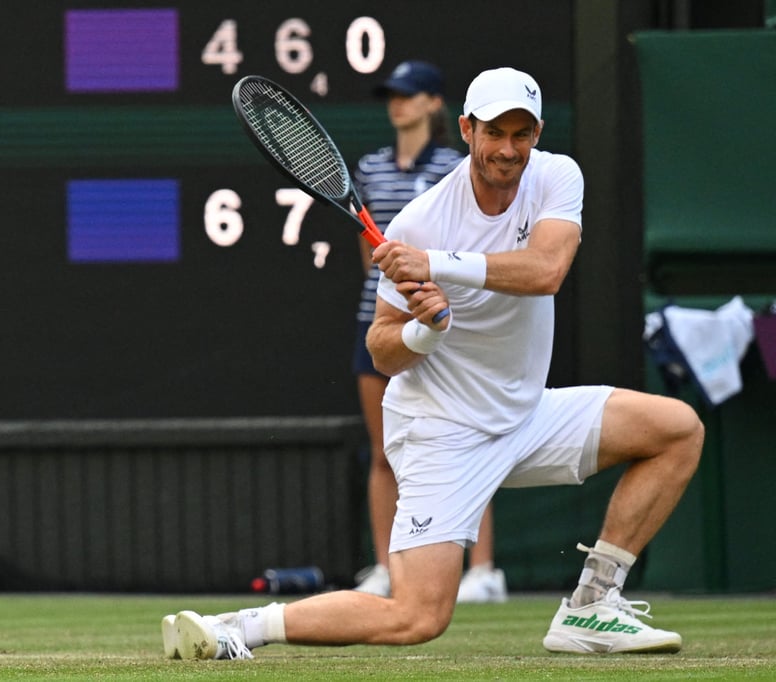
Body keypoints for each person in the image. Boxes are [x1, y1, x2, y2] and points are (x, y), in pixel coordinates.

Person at [161, 66, 703, 659]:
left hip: (526, 415)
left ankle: (592, 605)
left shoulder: (555, 177)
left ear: (537, 134)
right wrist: (426, 329)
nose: (508, 149)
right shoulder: (420, 218)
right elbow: (381, 347)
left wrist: (436, 265)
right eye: (494, 132)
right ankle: (236, 628)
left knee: (676, 430)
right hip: (441, 431)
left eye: (522, 134)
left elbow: (546, 271)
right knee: (415, 617)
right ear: (468, 130)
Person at [347, 59, 465, 599]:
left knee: (466, 444)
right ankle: (386, 568)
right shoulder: (369, 168)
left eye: (409, 94)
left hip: (443, 320)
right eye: (392, 95)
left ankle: (482, 571)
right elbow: (367, 258)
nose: (398, 103)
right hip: (382, 320)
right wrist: (396, 287)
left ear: (433, 103)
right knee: (383, 451)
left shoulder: (454, 166)